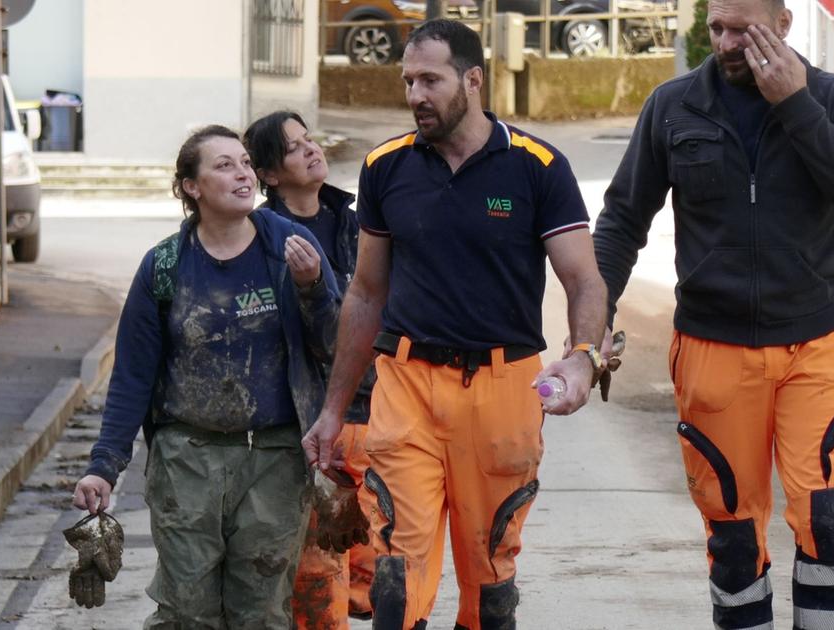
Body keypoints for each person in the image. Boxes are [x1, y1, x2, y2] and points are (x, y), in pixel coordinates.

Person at [592, 1, 834, 628]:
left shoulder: (833, 97)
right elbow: (621, 222)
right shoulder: (673, 107)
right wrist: (591, 317)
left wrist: (795, 104)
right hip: (713, 348)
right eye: (717, 29)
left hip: (818, 343)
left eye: (743, 30)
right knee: (731, 536)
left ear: (783, 25)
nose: (727, 44)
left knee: (827, 520)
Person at [301, 19, 608, 630]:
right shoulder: (386, 167)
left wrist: (582, 355)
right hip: (407, 384)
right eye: (408, 80)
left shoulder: (537, 166)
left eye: (430, 80)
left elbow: (585, 281)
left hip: (504, 389)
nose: (416, 94)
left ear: (472, 80)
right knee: (395, 572)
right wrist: (335, 409)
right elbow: (365, 294)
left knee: (489, 573)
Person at [72, 124, 342, 629]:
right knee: (186, 611)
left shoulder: (290, 248)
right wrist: (103, 466)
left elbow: (333, 347)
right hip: (186, 462)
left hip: (274, 459)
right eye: (224, 165)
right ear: (191, 187)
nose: (242, 172)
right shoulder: (165, 266)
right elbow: (132, 375)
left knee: (261, 612)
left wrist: (312, 290)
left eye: (244, 162)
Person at [245, 110, 378, 627]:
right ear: (271, 175)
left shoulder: (358, 221)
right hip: (309, 424)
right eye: (294, 148)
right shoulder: (259, 238)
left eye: (309, 140)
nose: (311, 149)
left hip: (375, 412)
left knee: (385, 570)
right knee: (320, 578)